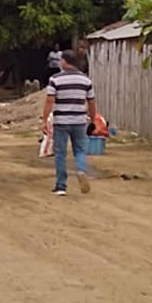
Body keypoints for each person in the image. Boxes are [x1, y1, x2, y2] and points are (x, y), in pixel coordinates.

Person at [41, 50, 97, 196]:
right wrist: (93, 119)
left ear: (65, 62)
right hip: (79, 121)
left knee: (60, 153)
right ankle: (81, 170)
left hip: (61, 121)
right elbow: (91, 102)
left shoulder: (55, 79)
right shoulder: (86, 80)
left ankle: (61, 186)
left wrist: (44, 120)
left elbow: (49, 101)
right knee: (80, 150)